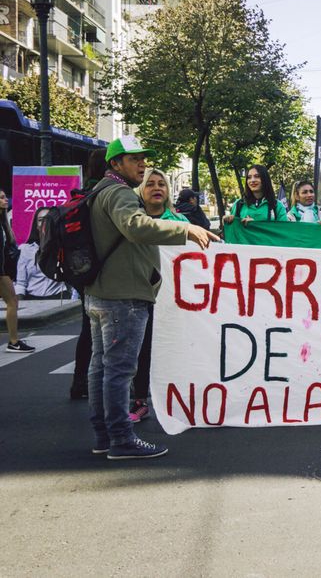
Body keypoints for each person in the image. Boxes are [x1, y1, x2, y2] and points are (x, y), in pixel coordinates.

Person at [86, 135, 218, 460]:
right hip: (123, 296)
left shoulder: (100, 191)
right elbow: (134, 226)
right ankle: (121, 439)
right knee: (118, 371)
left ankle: (104, 436)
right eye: (135, 159)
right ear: (115, 164)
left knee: (101, 369)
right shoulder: (118, 193)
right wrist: (184, 231)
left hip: (103, 293)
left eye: (143, 158)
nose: (142, 164)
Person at [127, 169, 189, 423]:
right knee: (142, 348)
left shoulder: (181, 221)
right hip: (144, 294)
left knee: (177, 346)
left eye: (161, 184)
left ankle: (184, 396)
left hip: (179, 300)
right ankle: (140, 399)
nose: (156, 188)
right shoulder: (133, 220)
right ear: (141, 191)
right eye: (150, 183)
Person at [71, 150, 108, 399]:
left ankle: (79, 382)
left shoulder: (83, 193)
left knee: (88, 329)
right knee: (103, 332)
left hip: (82, 270)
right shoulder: (106, 194)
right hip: (102, 270)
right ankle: (97, 384)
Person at [0, 189, 33, 354]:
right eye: (1, 198)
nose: (5, 200)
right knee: (12, 301)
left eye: (5, 197)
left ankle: (14, 341)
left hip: (3, 271)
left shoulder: (3, 222)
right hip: (1, 272)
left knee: (12, 301)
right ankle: (13, 341)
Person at [15, 208, 71, 300]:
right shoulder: (26, 250)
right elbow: (21, 283)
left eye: (48, 220)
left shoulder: (63, 247)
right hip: (31, 300)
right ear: (36, 225)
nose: (45, 223)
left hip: (58, 298)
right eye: (41, 220)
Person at [224, 164, 289, 225]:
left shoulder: (277, 206)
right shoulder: (238, 204)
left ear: (265, 179)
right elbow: (233, 231)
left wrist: (255, 225)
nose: (252, 180)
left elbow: (283, 232)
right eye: (249, 177)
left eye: (257, 176)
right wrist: (227, 222)